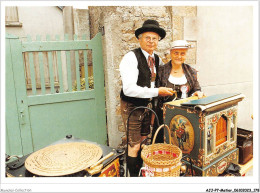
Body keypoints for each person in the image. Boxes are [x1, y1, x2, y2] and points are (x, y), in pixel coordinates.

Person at [119, 19, 174, 177]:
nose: (151, 41)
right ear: (139, 38)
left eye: (154, 38)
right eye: (147, 38)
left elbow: (165, 76)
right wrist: (157, 92)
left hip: (147, 106)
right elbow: (129, 90)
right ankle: (134, 179)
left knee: (144, 140)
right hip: (132, 106)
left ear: (158, 41)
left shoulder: (157, 59)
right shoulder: (131, 58)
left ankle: (141, 173)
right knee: (134, 145)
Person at [153, 40, 204, 142]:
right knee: (164, 143)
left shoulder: (191, 71)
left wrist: (197, 93)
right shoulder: (161, 71)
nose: (179, 56)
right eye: (176, 53)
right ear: (170, 53)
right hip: (164, 116)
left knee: (182, 142)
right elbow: (155, 94)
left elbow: (196, 89)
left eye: (182, 53)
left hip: (185, 117)